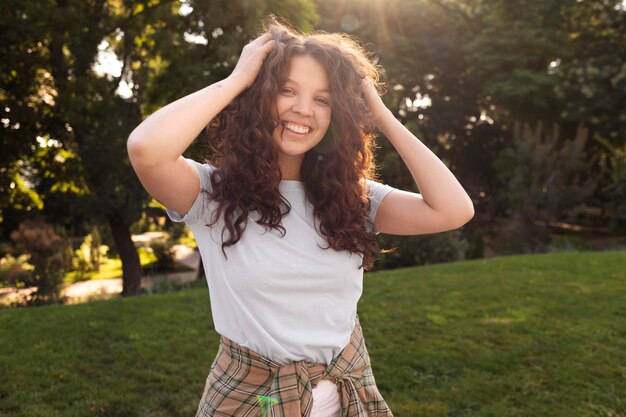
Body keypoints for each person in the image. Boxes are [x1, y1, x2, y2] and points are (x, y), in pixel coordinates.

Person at [127, 14, 474, 417]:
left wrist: (380, 115)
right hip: (254, 399)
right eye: (286, 90)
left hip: (347, 395)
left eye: (323, 99)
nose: (304, 109)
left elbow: (454, 209)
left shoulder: (352, 199)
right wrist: (237, 80)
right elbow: (146, 149)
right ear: (259, 98)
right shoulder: (211, 193)